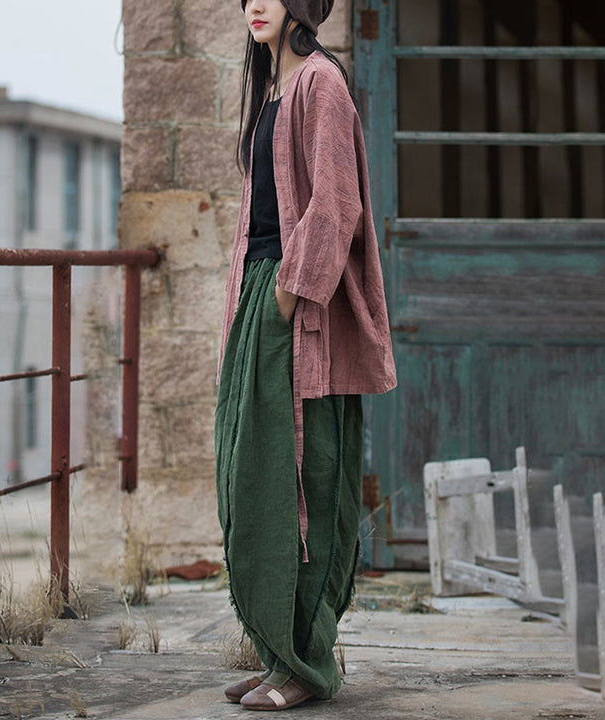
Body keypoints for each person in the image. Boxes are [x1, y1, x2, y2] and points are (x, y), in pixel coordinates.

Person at [214, 0, 397, 711]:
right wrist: (254, 305)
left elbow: (336, 206)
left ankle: (305, 666)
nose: (255, 2)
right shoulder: (269, 91)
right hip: (259, 298)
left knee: (307, 485)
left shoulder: (321, 83)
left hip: (294, 304)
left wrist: (289, 299)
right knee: (251, 482)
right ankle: (274, 655)